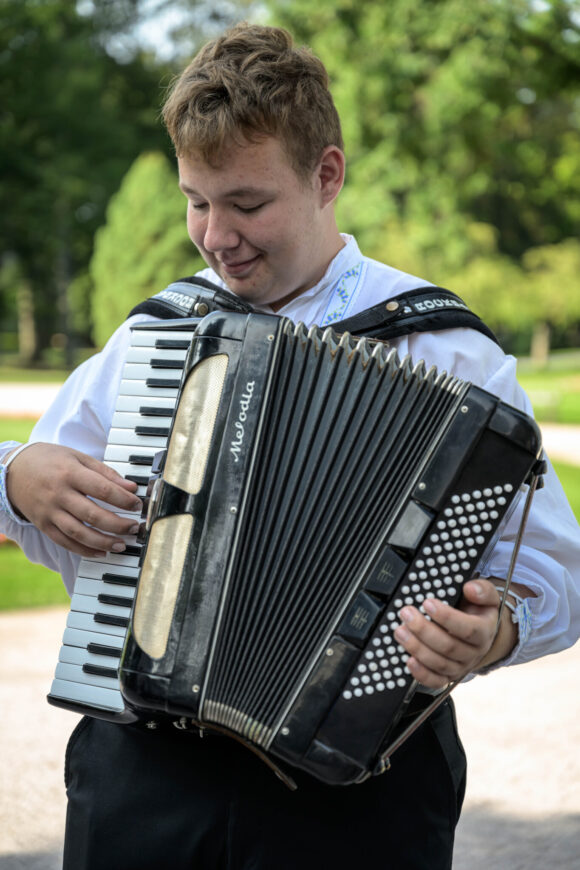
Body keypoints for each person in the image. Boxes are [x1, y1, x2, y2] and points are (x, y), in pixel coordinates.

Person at [1, 22, 579, 870]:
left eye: (246, 203)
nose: (214, 235)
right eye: (196, 201)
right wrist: (17, 478)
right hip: (145, 776)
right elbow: (44, 507)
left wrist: (496, 634)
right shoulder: (158, 336)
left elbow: (557, 573)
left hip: (357, 798)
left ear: (327, 175)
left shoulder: (449, 352)